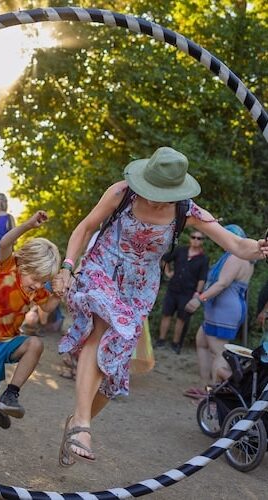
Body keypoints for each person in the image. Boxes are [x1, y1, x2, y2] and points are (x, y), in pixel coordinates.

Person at [56, 146, 268, 466]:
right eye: (150, 191)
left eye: (162, 196)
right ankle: (82, 426)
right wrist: (68, 266)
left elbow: (237, 244)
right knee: (102, 326)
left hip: (139, 289)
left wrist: (260, 248)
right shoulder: (121, 193)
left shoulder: (187, 211)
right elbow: (86, 227)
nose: (154, 200)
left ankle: (75, 422)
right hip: (104, 269)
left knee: (113, 375)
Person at [0, 210, 62, 429]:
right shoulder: (8, 266)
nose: (38, 285)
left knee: (35, 344)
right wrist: (28, 225)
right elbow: (4, 243)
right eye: (36, 278)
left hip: (10, 342)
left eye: (43, 281)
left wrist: (59, 293)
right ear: (23, 263)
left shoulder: (35, 291)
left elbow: (48, 306)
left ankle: (11, 395)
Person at [183, 224, 255, 395]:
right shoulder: (242, 256)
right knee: (202, 341)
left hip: (224, 310)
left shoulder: (237, 256)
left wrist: (199, 299)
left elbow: (222, 283)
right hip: (222, 308)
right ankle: (206, 387)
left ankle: (221, 393)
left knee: (219, 352)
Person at [155, 230, 209, 353]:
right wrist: (167, 272)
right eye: (193, 237)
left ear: (202, 241)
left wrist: (197, 293)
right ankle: (161, 340)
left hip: (188, 292)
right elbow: (164, 259)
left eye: (199, 238)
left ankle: (175, 343)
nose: (195, 240)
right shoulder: (180, 251)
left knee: (182, 318)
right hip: (173, 288)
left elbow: (202, 278)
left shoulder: (203, 259)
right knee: (166, 314)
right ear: (190, 238)